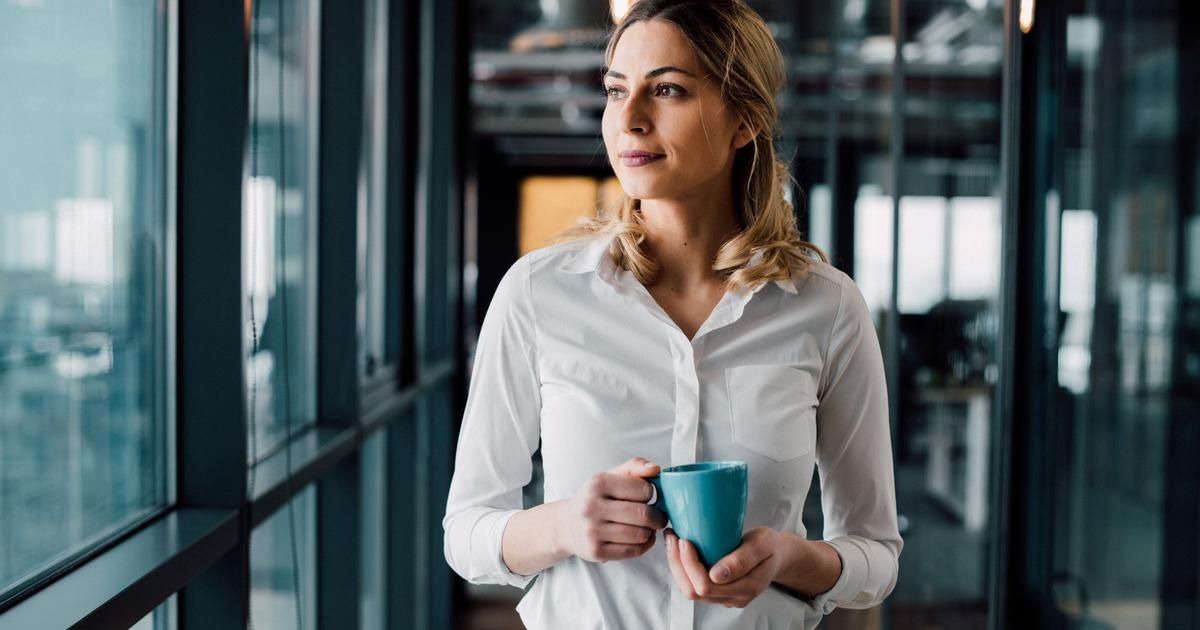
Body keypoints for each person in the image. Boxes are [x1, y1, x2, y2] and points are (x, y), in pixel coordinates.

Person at [443, 1, 902, 627]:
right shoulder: (537, 294)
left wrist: (790, 558)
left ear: (743, 120)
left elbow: (876, 553)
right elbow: (466, 534)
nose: (628, 120)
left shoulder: (827, 308)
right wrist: (564, 525)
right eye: (615, 91)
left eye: (667, 90)